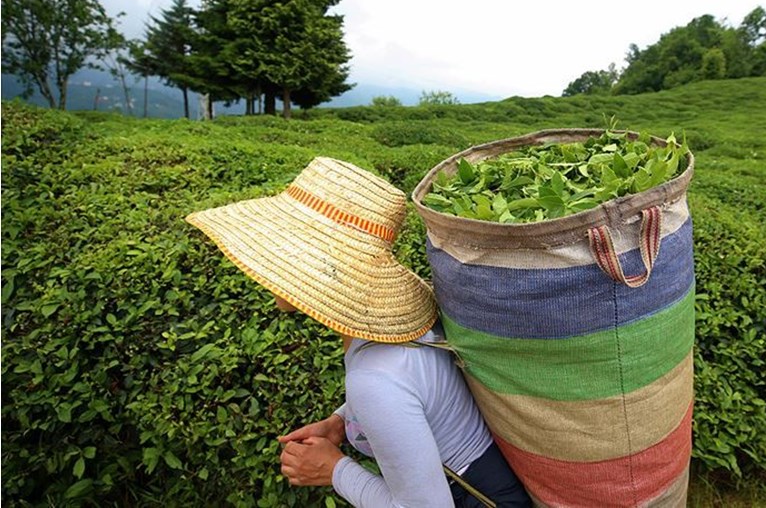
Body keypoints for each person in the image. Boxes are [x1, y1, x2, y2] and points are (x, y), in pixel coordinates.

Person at [185, 157, 531, 507]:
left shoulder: (373, 381)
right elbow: (415, 391)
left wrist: (333, 470)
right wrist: (341, 422)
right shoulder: (397, 335)